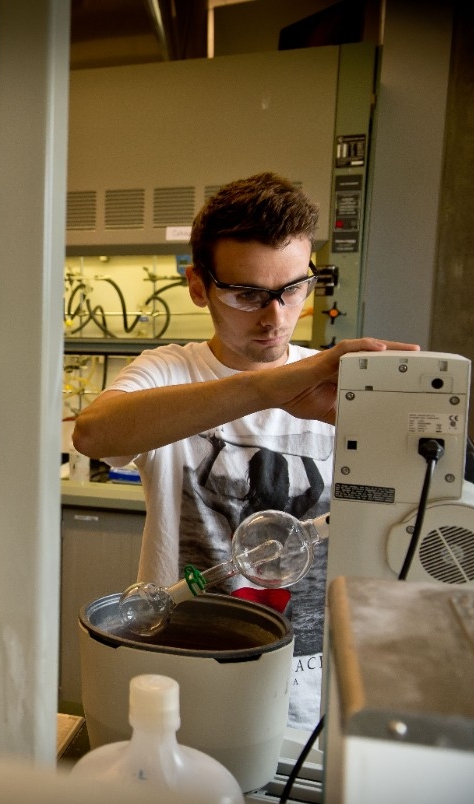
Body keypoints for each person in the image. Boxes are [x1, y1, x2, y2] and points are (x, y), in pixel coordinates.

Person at [71, 172, 420, 731]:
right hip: (180, 684)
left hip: (308, 700)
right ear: (197, 285)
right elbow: (94, 434)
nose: (275, 317)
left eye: (292, 289)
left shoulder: (342, 385)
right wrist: (268, 386)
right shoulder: (169, 371)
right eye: (247, 294)